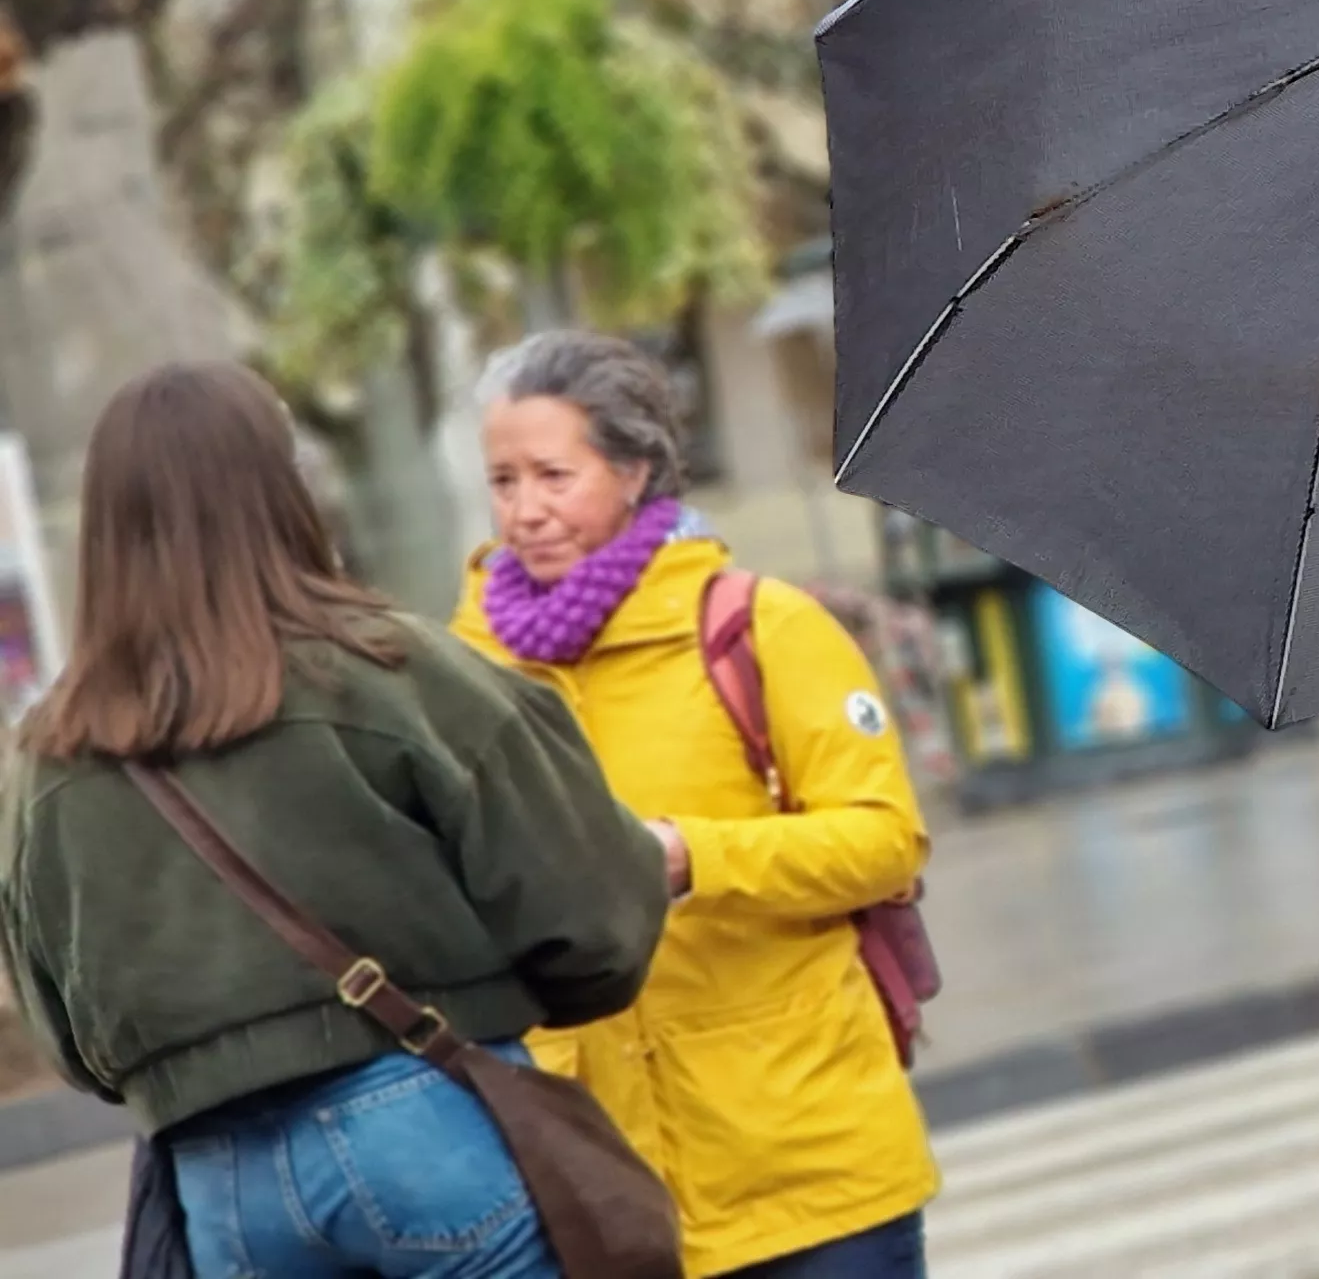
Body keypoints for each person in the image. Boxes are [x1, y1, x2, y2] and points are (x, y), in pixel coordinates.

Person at [1, 362, 666, 1279]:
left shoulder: (49, 757)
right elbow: (595, 919)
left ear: (109, 526)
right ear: (281, 489)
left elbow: (69, 1037)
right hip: (423, 1121)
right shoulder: (391, 671)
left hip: (219, 1180)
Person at [453, 331, 937, 1279]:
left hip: (810, 1170)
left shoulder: (760, 625)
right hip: (601, 1191)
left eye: (555, 475)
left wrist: (690, 855)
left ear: (634, 470)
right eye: (503, 482)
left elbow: (885, 842)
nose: (525, 511)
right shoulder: (462, 674)